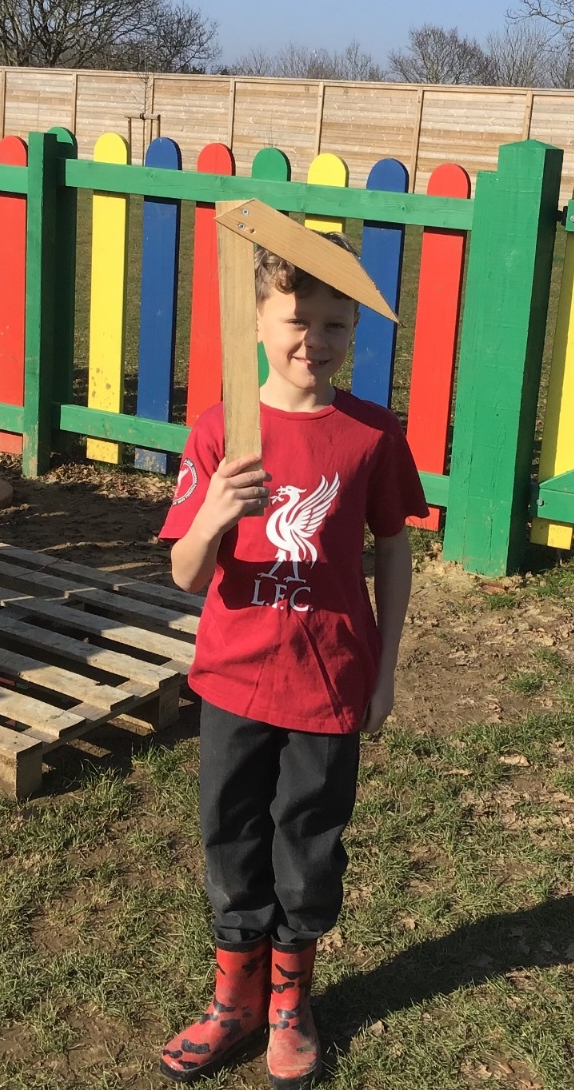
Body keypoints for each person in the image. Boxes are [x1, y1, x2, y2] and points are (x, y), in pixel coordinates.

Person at [156, 231, 426, 1088]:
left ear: (355, 331)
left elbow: (392, 547)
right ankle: (233, 1000)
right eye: (296, 319)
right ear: (258, 322)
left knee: (308, 845)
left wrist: (384, 669)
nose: (315, 340)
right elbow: (186, 573)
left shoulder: (371, 434)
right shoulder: (222, 431)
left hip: (329, 680)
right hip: (234, 679)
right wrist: (213, 514)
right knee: (231, 837)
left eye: (335, 324)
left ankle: (288, 1003)